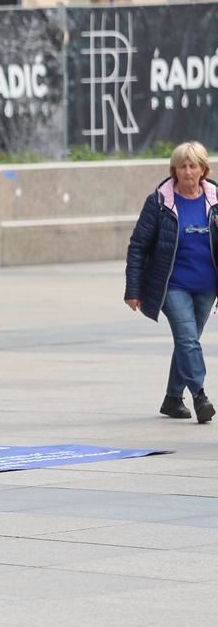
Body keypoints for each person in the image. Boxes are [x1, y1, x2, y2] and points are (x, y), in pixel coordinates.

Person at [125, 141, 218, 422]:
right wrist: (133, 289)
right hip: (171, 285)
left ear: (203, 169)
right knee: (188, 339)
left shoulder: (215, 200)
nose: (187, 171)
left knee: (186, 341)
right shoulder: (159, 202)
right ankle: (200, 396)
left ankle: (172, 398)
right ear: (174, 169)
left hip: (207, 285)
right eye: (182, 166)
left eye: (193, 166)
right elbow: (138, 246)